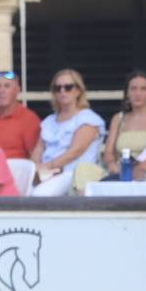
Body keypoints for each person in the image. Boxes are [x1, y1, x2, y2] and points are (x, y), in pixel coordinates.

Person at [31, 68, 106, 197]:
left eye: (68, 87)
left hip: (72, 174)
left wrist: (47, 167)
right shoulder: (48, 121)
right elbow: (38, 149)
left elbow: (74, 152)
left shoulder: (88, 118)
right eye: (57, 88)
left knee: (39, 195)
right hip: (46, 173)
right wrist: (36, 168)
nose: (62, 91)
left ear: (78, 91)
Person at [101, 70, 146, 170]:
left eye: (143, 89)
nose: (138, 93)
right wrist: (111, 165)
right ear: (127, 93)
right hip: (120, 171)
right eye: (133, 89)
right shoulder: (118, 118)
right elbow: (108, 153)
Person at [0, 70, 41, 160]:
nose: (1, 91)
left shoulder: (28, 119)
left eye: (7, 86)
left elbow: (35, 157)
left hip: (13, 171)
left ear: (17, 90)